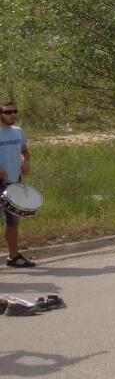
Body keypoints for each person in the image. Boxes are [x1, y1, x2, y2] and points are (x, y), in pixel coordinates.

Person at [0, 101, 35, 268]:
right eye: (8, 112)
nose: (12, 115)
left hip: (14, 183)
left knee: (13, 221)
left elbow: (24, 151)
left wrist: (26, 162)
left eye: (14, 111)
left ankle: (13, 257)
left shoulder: (18, 131)